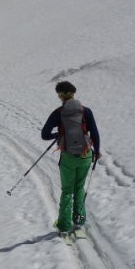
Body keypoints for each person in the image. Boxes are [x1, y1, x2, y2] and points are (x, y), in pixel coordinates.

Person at [40, 81, 101, 239]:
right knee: (79, 187)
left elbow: (45, 134)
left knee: (67, 190)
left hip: (68, 156)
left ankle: (64, 226)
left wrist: (59, 135)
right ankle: (79, 220)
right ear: (73, 93)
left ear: (60, 95)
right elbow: (94, 133)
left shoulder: (58, 113)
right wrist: (97, 151)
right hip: (85, 156)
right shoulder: (86, 111)